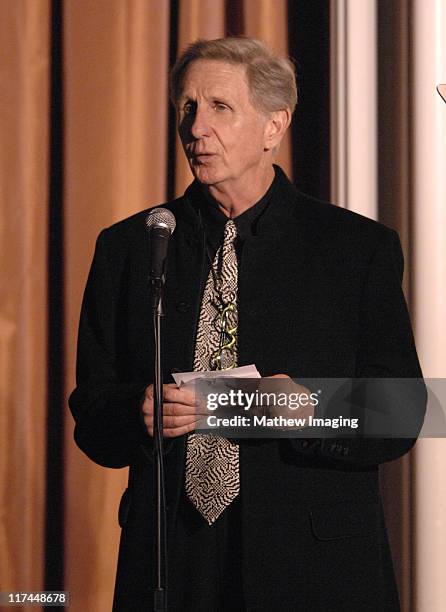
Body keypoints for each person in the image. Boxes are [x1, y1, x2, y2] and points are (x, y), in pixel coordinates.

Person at [69, 37, 426, 611]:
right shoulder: (131, 247)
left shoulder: (355, 248)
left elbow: (404, 410)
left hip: (311, 566)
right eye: (187, 108)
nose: (195, 128)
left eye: (219, 107)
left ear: (274, 125)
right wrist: (137, 411)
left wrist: (312, 410)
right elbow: (91, 410)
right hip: (172, 562)